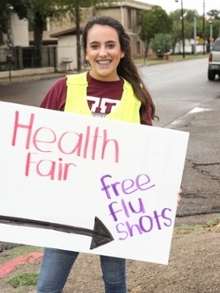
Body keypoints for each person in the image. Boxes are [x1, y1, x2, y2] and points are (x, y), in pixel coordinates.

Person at [36, 15, 158, 293]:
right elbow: (31, 141)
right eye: (95, 46)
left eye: (110, 45)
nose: (103, 52)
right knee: (47, 286)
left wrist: (164, 187)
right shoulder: (63, 88)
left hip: (114, 209)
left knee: (115, 282)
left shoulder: (137, 96)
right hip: (68, 206)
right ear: (86, 52)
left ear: (122, 50)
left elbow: (150, 153)